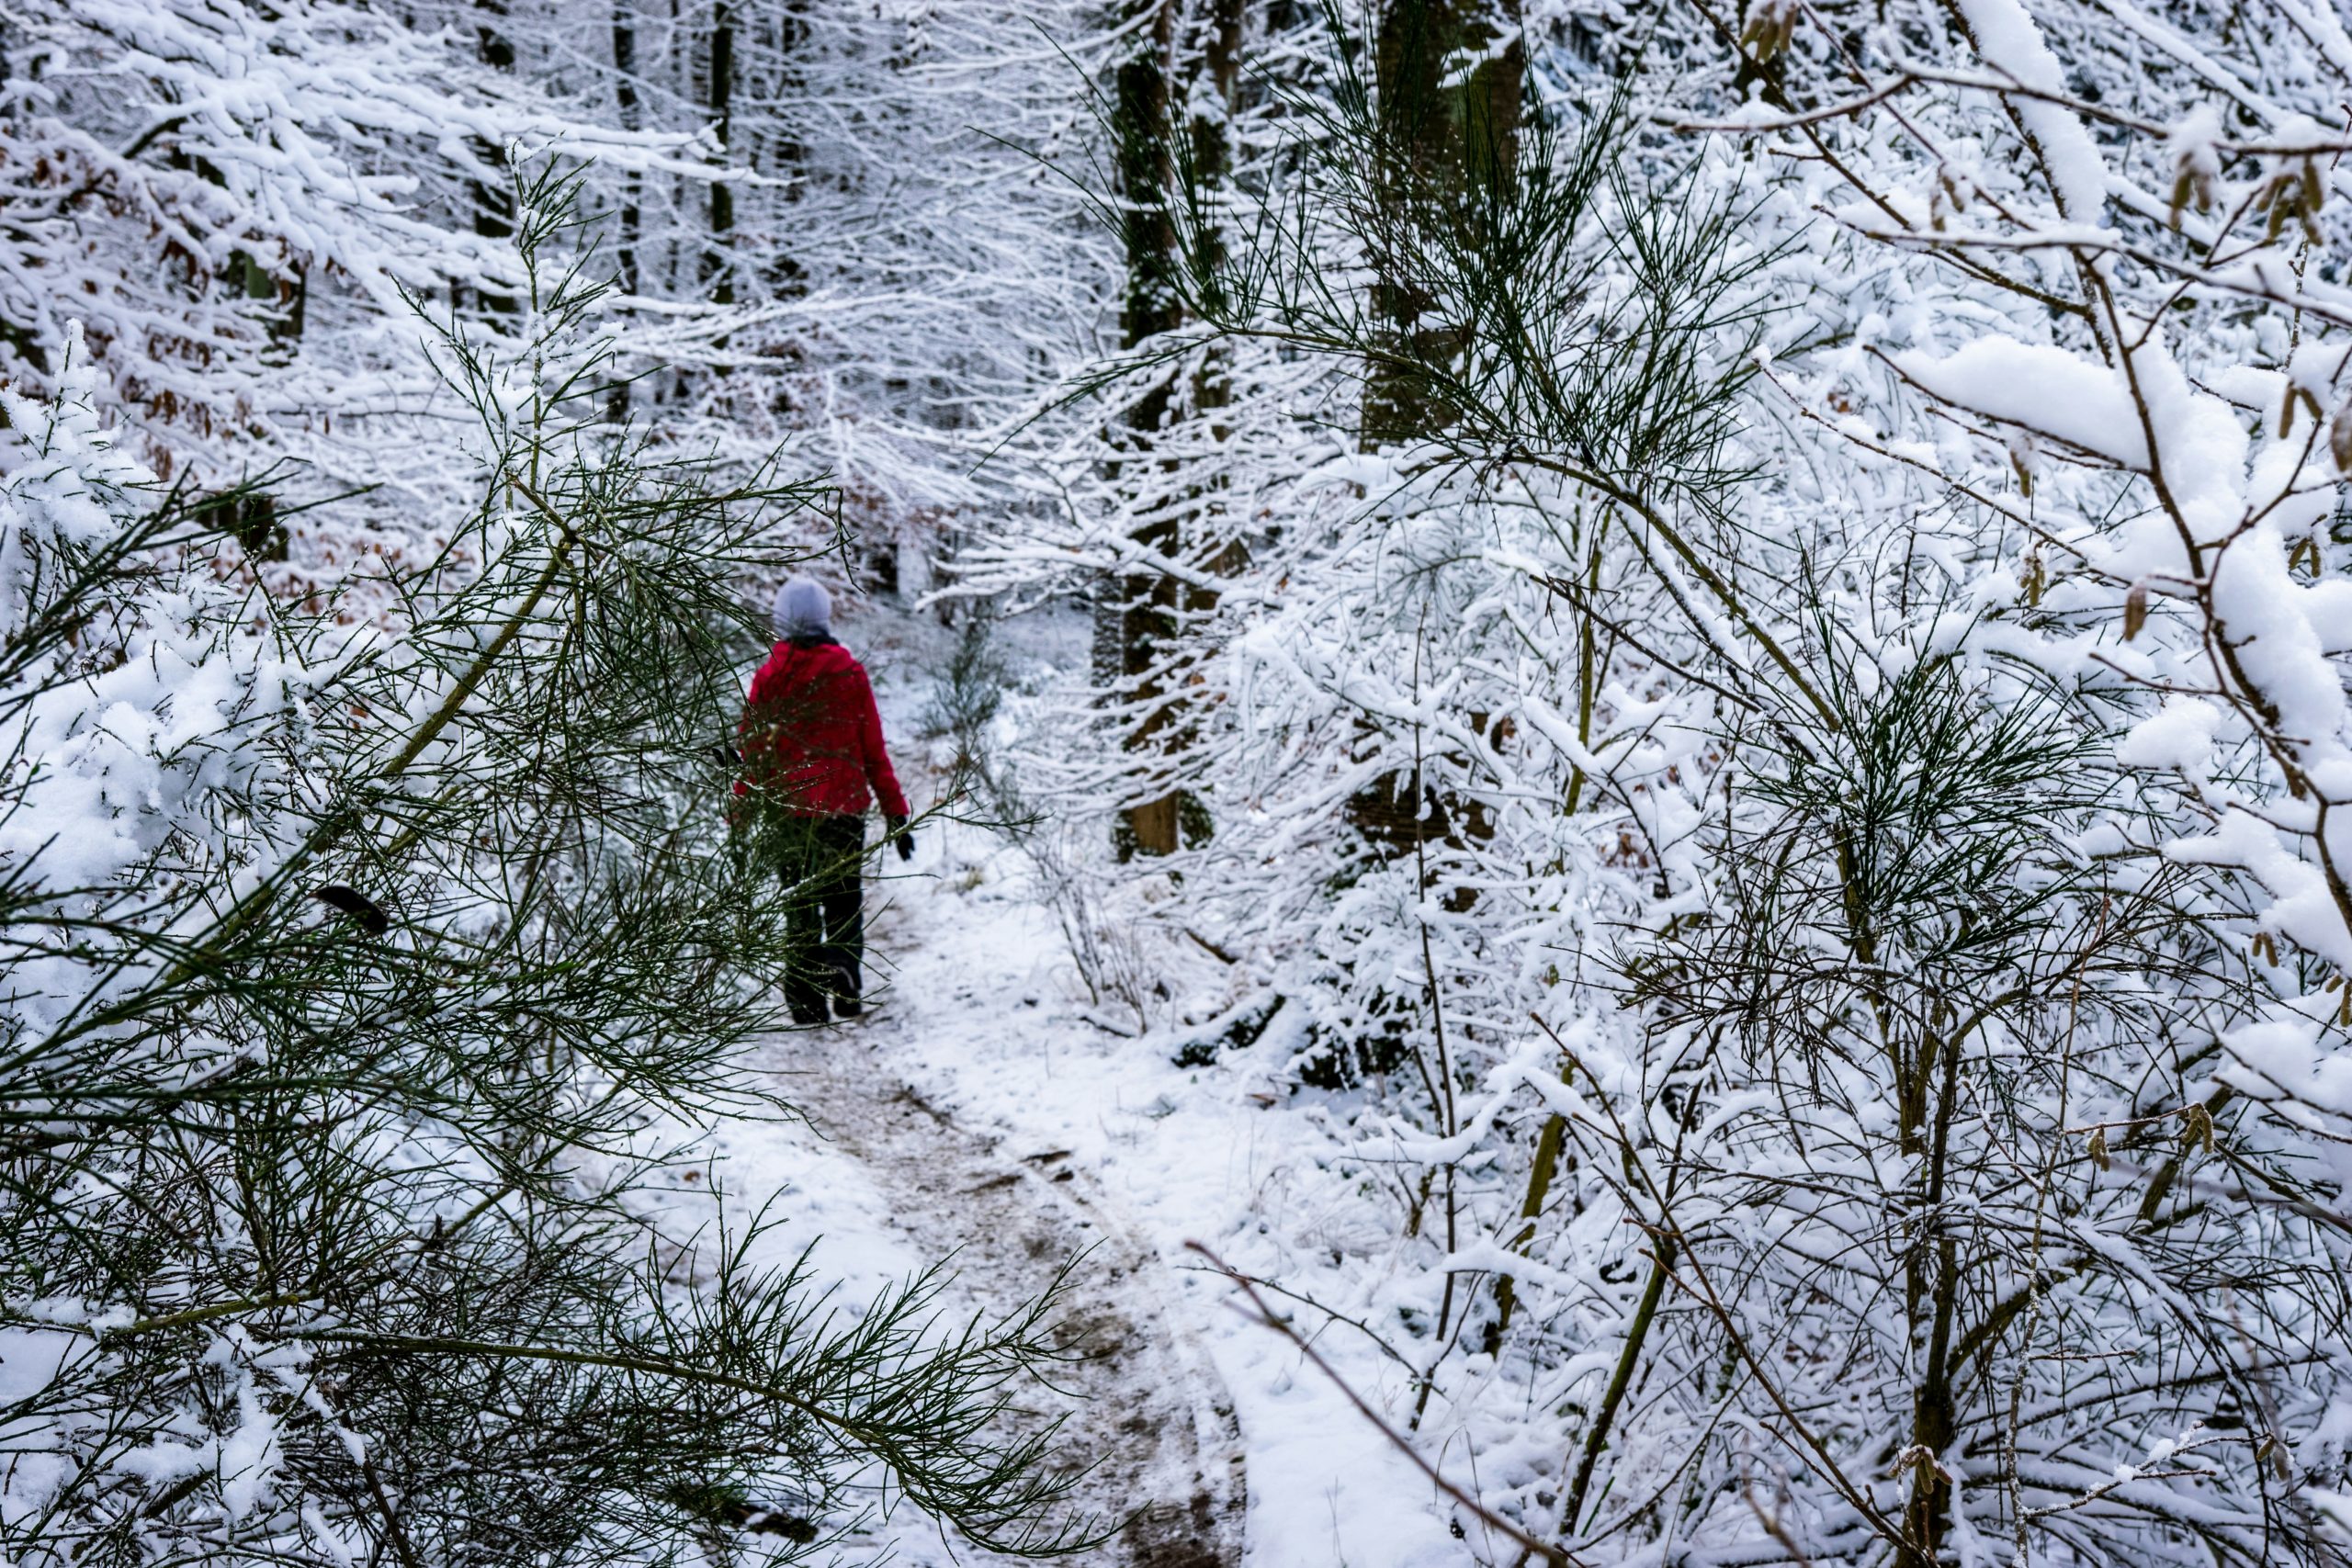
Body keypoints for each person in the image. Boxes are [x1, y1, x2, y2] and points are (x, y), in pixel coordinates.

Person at [735, 576, 913, 1024]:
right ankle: (845, 977)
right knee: (843, 899)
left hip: (788, 813)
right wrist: (895, 812)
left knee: (798, 905)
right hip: (843, 810)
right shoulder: (849, 672)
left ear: (781, 619)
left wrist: (738, 815)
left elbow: (753, 754)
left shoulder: (770, 678)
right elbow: (873, 749)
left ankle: (806, 1000)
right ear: (824, 617)